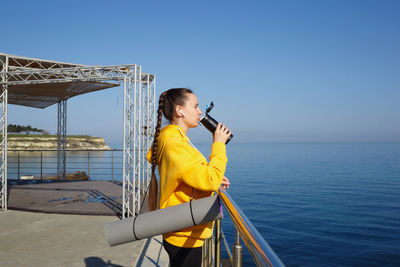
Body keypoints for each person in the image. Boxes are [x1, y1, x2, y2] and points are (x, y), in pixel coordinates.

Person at [146, 88, 231, 267]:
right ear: (180, 110)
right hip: (184, 232)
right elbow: (209, 180)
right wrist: (218, 145)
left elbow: (182, 174)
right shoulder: (175, 143)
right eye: (196, 106)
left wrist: (209, 174)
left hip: (179, 227)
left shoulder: (172, 138)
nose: (200, 112)